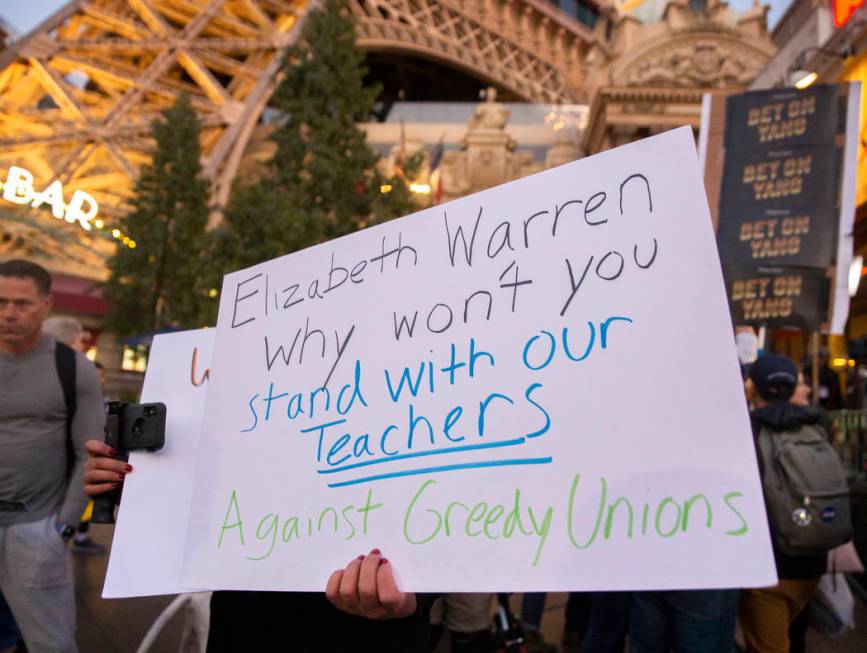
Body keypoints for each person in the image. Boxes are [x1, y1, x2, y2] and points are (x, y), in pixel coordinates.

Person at [82, 439, 436, 651]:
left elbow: (447, 535)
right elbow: (214, 514)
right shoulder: (244, 370)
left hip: (364, 636)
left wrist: (409, 603)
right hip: (244, 624)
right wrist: (144, 487)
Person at [0, 259, 104, 652]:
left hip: (35, 527)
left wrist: (62, 526)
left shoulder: (72, 368)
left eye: (22, 303)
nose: (9, 312)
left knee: (51, 644)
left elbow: (89, 452)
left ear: (47, 304)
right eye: (1, 301)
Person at [739, 354, 834, 653]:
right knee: (795, 638)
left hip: (769, 568)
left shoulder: (747, 432)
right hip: (813, 560)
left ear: (754, 389)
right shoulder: (818, 426)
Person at [42, 316, 106, 556]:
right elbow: (89, 449)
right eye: (80, 340)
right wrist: (66, 524)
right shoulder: (76, 374)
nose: (84, 347)